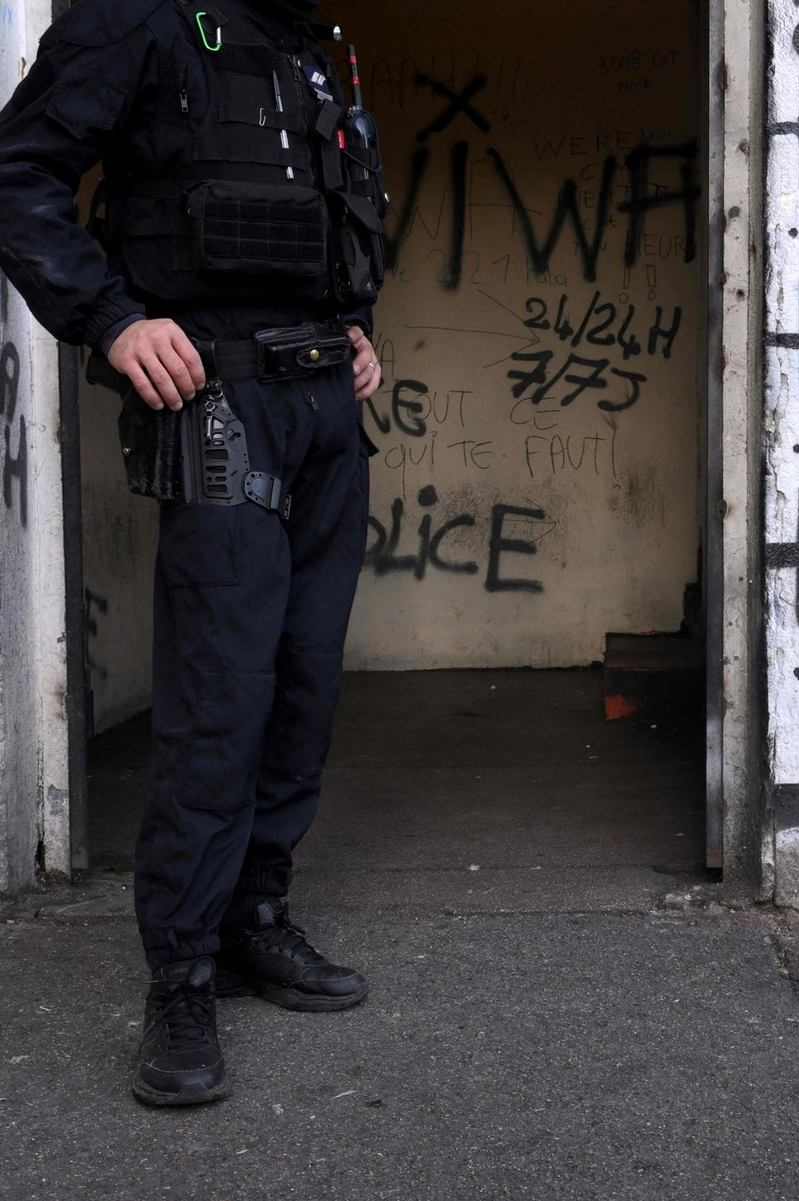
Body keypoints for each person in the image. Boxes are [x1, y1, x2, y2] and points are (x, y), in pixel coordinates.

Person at [0, 0, 389, 1106]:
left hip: (325, 408)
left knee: (305, 682)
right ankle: (180, 976)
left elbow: (335, 214)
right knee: (219, 697)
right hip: (220, 401)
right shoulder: (141, 21)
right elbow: (18, 176)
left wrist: (357, 323)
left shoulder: (312, 47)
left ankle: (255, 917)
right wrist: (112, 319)